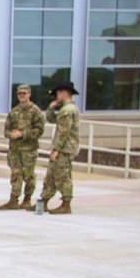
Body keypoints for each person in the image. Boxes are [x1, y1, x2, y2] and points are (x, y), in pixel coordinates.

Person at [36, 81, 80, 215]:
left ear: (64, 93)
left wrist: (56, 149)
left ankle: (66, 205)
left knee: (63, 176)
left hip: (64, 149)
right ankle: (42, 204)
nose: (56, 97)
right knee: (50, 175)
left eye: (57, 94)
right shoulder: (65, 109)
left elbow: (63, 132)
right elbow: (51, 119)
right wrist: (50, 108)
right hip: (62, 148)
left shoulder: (68, 110)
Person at [0, 84, 45, 211]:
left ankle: (27, 199)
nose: (22, 96)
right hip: (15, 149)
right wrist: (11, 135)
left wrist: (22, 134)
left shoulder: (36, 111)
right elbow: (6, 130)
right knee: (15, 174)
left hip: (29, 150)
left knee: (29, 175)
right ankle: (14, 199)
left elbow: (39, 130)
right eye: (19, 94)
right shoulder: (14, 111)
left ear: (29, 94)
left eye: (24, 93)